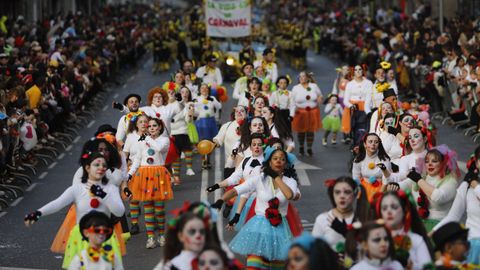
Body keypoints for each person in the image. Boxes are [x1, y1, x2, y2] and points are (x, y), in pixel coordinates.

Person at [24, 152, 125, 269]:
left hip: (103, 235)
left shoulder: (111, 188)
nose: (101, 168)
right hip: (81, 237)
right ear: (87, 168)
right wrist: (38, 213)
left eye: (103, 165)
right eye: (96, 165)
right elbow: (58, 203)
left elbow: (119, 212)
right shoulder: (77, 189)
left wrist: (103, 195)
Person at [210, 147, 298, 269]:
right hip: (259, 228)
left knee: (277, 267)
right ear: (269, 162)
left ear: (286, 164)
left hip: (280, 229)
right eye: (275, 158)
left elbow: (289, 195)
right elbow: (237, 190)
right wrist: (221, 200)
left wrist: (276, 177)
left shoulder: (290, 181)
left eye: (282, 159)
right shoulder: (259, 179)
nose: (279, 161)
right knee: (254, 266)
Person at [127, 117, 171, 248]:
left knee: (159, 210)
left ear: (159, 127)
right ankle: (150, 238)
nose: (151, 128)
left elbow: (158, 148)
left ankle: (162, 235)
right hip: (144, 175)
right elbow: (137, 159)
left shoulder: (164, 140)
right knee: (148, 209)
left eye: (154, 126)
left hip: (158, 176)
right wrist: (130, 174)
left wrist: (146, 138)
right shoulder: (143, 141)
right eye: (149, 126)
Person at [432, 146, 480, 265]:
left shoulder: (472, 184)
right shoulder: (467, 186)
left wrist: (475, 185)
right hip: (471, 248)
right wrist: (431, 233)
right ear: (477, 163)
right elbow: (453, 216)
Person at [401, 145, 461, 231]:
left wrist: (419, 180)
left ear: (443, 163)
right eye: (427, 161)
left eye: (434, 161)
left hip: (440, 226)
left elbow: (438, 197)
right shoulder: (424, 177)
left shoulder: (451, 182)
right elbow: (404, 185)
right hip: (419, 223)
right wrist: (392, 184)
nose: (429, 164)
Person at [373, 190, 433, 269]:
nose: (388, 211)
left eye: (394, 207)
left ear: (405, 209)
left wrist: (412, 266)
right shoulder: (373, 240)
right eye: (384, 208)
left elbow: (428, 267)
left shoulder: (416, 240)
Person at [312, 176, 371, 253]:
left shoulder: (363, 219)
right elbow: (313, 251)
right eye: (337, 192)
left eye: (347, 192)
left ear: (355, 194)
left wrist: (346, 232)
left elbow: (369, 250)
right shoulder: (323, 219)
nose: (342, 196)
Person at [352, 133, 392, 202]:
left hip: (381, 189)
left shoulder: (384, 160)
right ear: (365, 144)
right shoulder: (358, 159)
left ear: (379, 144)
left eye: (376, 142)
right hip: (364, 189)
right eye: (370, 142)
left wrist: (379, 195)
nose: (373, 144)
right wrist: (360, 192)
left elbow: (387, 179)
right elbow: (356, 177)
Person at [291, 71, 323, 156]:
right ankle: (301, 147)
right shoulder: (295, 88)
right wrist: (292, 113)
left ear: (308, 78)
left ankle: (309, 148)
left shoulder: (314, 86)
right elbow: (292, 101)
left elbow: (320, 95)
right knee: (301, 131)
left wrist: (320, 98)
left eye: (303, 76)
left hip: (312, 112)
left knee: (310, 131)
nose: (301, 78)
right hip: (300, 112)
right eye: (300, 77)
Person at [171, 87, 196, 184]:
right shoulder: (170, 105)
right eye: (182, 92)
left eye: (186, 92)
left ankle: (189, 168)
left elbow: (188, 120)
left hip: (183, 131)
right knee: (176, 155)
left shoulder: (188, 105)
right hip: (172, 133)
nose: (184, 94)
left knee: (188, 150)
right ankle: (176, 177)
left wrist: (190, 115)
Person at [213, 106, 247, 179]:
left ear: (246, 114)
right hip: (230, 165)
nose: (239, 112)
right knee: (229, 188)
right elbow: (219, 139)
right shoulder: (227, 126)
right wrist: (213, 144)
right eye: (237, 111)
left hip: (246, 166)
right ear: (234, 115)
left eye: (242, 111)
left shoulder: (250, 126)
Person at [194, 83, 221, 169]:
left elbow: (219, 106)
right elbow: (194, 111)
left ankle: (208, 159)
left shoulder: (212, 98)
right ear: (199, 90)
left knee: (211, 142)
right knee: (202, 142)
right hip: (201, 122)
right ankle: (203, 161)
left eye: (206, 88)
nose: (204, 90)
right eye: (202, 88)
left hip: (211, 121)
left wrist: (212, 101)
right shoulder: (197, 99)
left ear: (208, 90)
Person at [342, 65, 372, 143]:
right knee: (354, 128)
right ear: (353, 72)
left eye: (360, 69)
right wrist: (351, 106)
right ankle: (355, 144)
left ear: (363, 71)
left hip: (365, 107)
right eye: (356, 70)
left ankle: (361, 145)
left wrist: (368, 110)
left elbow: (369, 97)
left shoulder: (368, 83)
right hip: (352, 109)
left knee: (363, 128)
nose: (358, 71)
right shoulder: (350, 84)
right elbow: (345, 100)